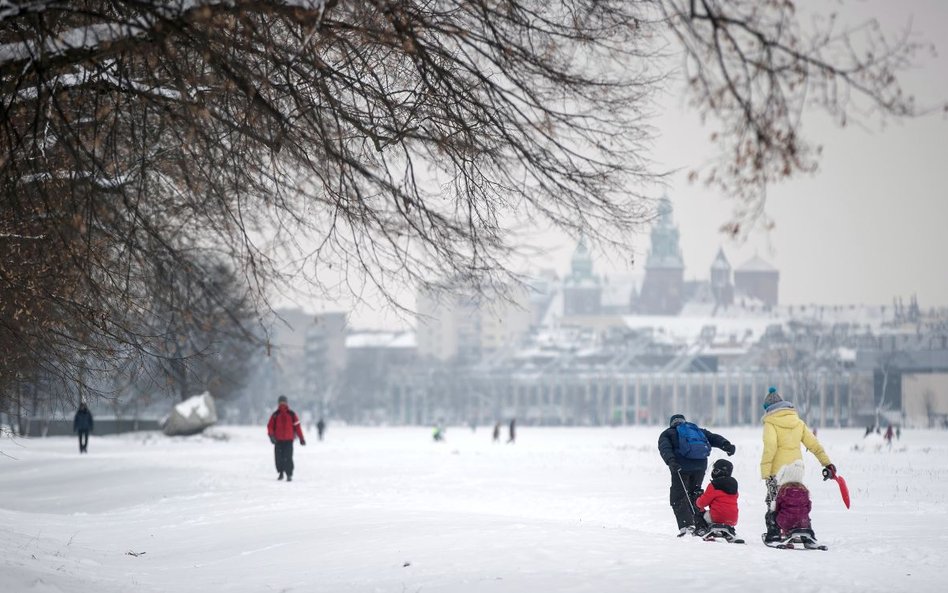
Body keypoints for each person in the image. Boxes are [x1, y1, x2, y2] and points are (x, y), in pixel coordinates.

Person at [759, 387, 835, 543]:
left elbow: (770, 447)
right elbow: (814, 444)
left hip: (777, 472)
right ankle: (800, 527)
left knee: (773, 501)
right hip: (797, 470)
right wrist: (827, 463)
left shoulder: (770, 423)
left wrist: (766, 472)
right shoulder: (798, 422)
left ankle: (774, 533)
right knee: (795, 499)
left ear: (768, 409)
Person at [658, 413, 736, 536]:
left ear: (672, 423)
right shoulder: (696, 430)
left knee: (678, 497)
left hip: (680, 467)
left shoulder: (668, 433)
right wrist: (726, 445)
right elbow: (712, 437)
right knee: (695, 494)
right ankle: (701, 524)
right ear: (684, 421)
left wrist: (671, 461)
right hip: (700, 466)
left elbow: (665, 448)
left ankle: (687, 526)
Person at [267, 395, 306, 481]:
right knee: (279, 458)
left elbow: (297, 427)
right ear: (278, 403)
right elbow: (270, 426)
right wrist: (271, 436)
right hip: (278, 440)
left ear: (286, 402)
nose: (282, 403)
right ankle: (280, 472)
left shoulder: (292, 414)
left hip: (289, 440)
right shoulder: (275, 415)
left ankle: (289, 474)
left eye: (284, 401)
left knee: (288, 457)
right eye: (281, 401)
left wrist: (301, 438)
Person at [771, 460, 812, 537]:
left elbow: (777, 507)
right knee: (805, 515)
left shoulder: (783, 490)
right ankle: (807, 538)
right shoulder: (804, 490)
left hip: (786, 522)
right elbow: (808, 507)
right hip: (803, 522)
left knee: (772, 514)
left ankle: (774, 535)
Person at [694, 458, 739, 529]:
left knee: (700, 514)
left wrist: (698, 499)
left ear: (717, 471)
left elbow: (702, 503)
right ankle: (729, 530)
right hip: (733, 519)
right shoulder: (734, 486)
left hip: (717, 517)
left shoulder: (714, 484)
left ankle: (701, 529)